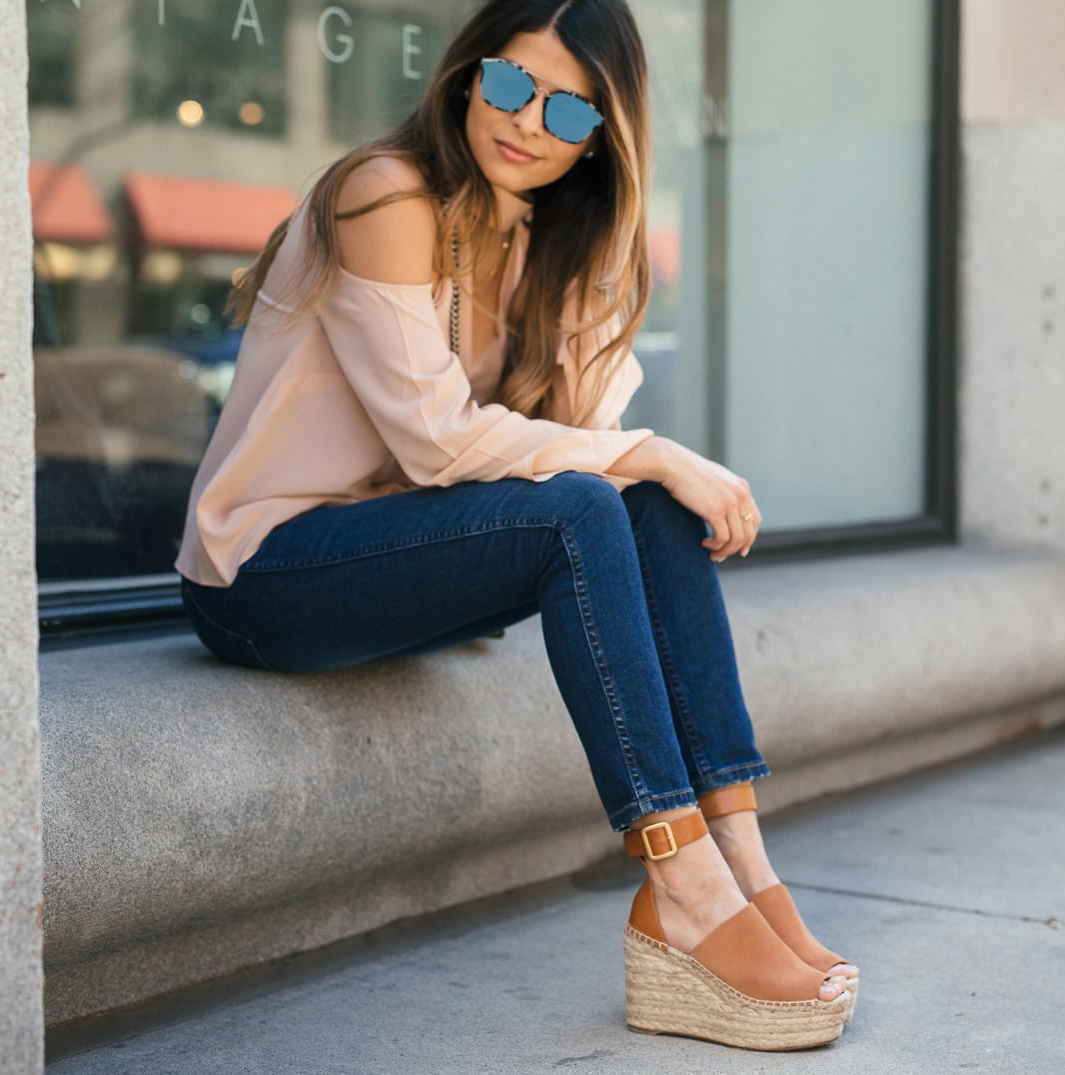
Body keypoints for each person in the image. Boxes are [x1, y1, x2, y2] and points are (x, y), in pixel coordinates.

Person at [173, 0, 858, 1051]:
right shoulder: (383, 194)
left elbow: (581, 440)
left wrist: (591, 261)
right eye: (508, 85)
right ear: (466, 75)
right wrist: (655, 451)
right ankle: (678, 884)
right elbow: (438, 445)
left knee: (640, 498)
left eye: (569, 114)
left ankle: (742, 864)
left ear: (601, 139)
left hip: (398, 562)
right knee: (611, 487)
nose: (526, 123)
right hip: (264, 575)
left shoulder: (543, 231)